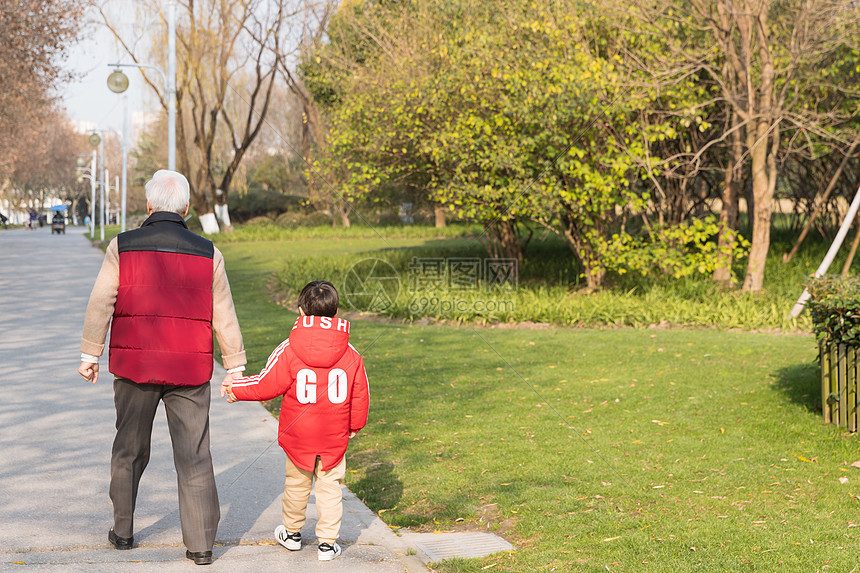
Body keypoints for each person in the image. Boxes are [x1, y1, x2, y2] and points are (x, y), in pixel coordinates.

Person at [77, 170, 247, 566]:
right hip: (190, 371)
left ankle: (122, 531)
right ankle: (202, 546)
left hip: (135, 367)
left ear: (149, 206)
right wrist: (235, 365)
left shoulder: (123, 246)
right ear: (186, 208)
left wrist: (90, 354)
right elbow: (224, 314)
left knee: (128, 449)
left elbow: (102, 300)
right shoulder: (208, 252)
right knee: (194, 455)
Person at [222, 281, 369, 561]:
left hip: (298, 434)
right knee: (330, 487)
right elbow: (361, 393)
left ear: (300, 311)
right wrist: (354, 425)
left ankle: (291, 533)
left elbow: (267, 383)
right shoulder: (351, 353)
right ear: (336, 313)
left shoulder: (289, 347)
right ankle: (327, 543)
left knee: (296, 485)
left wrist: (236, 388)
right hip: (333, 434)